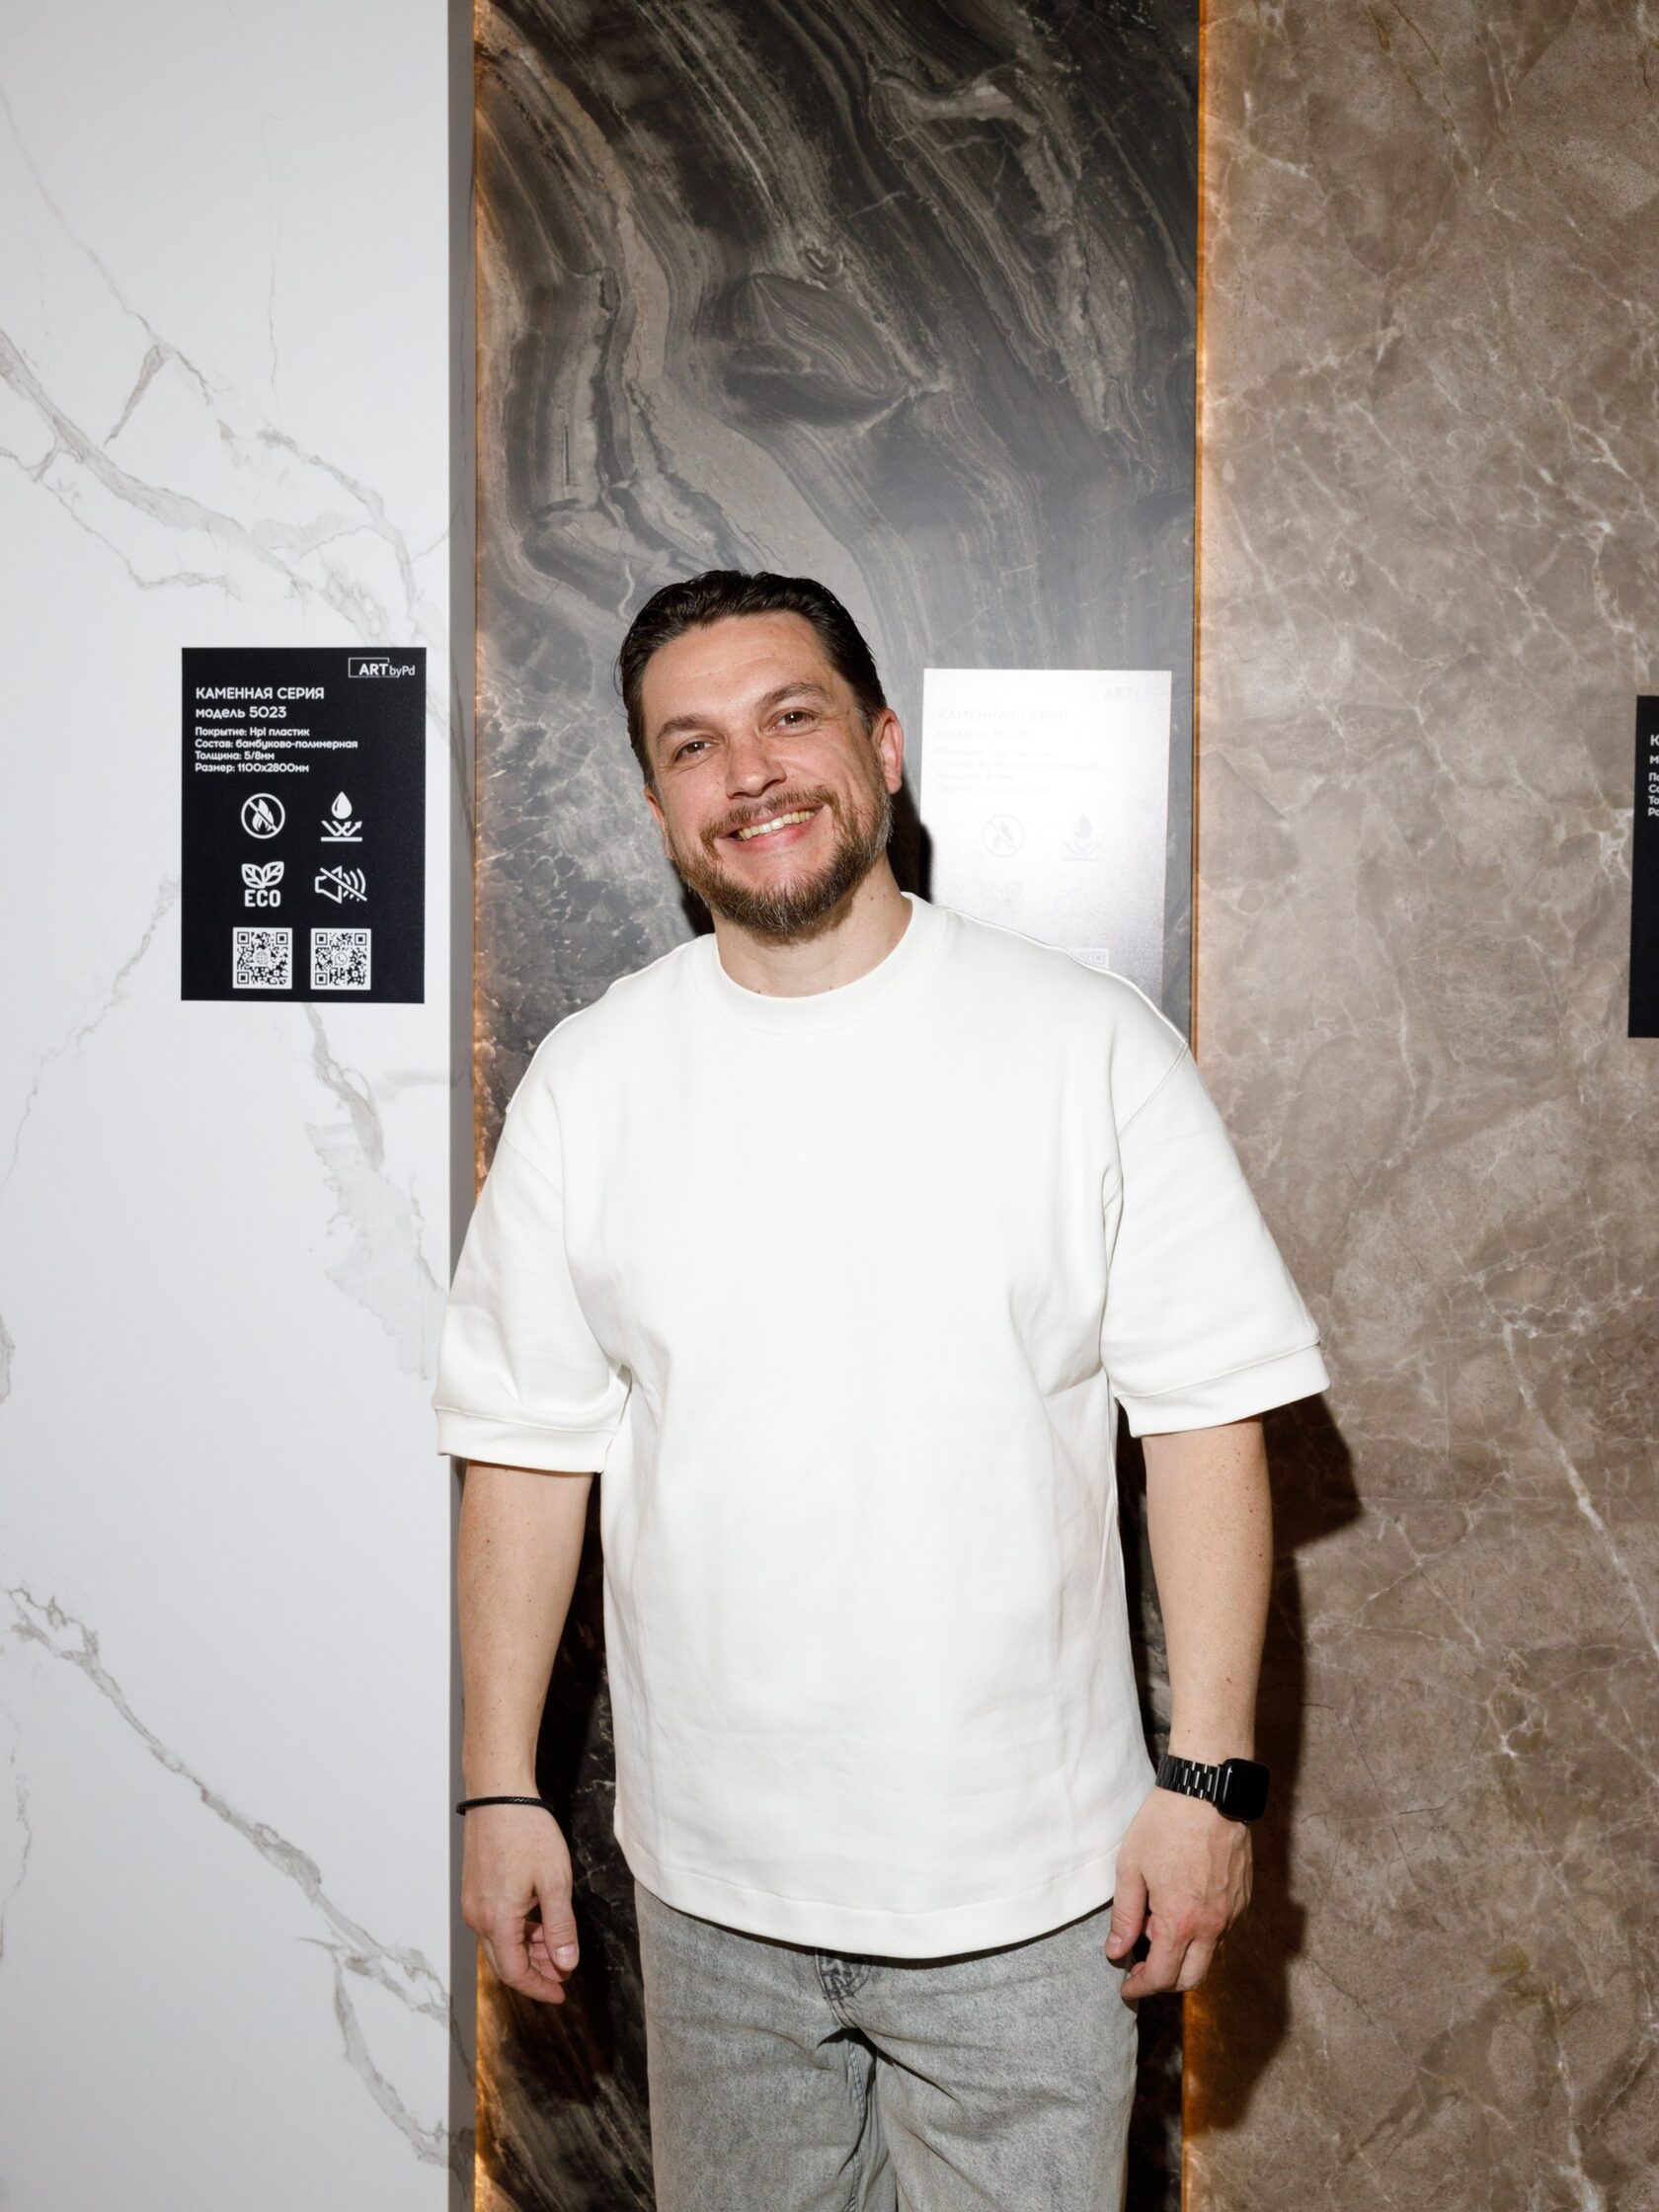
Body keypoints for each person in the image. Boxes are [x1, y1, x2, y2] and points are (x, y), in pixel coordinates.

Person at [433, 570, 1329, 2211]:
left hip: (1035, 1901)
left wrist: (1209, 1782)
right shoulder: (591, 1081)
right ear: (657, 808)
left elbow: (1207, 1420)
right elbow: (526, 1453)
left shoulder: (1087, 1046)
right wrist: (499, 1787)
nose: (749, 774)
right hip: (711, 1902)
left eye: (791, 717)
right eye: (692, 746)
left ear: (885, 747)